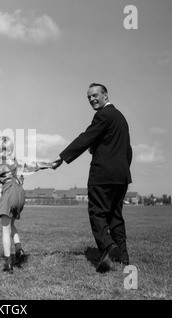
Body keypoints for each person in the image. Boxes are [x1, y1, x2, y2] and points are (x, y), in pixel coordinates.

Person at [51, 83, 132, 273]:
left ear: (105, 95)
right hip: (121, 176)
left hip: (103, 175)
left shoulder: (103, 115)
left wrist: (62, 157)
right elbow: (127, 149)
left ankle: (108, 247)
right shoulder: (121, 118)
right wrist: (122, 170)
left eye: (95, 95)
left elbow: (87, 136)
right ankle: (123, 256)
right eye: (89, 97)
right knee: (115, 216)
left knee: (97, 212)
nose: (92, 99)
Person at [0, 136, 51, 273]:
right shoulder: (19, 163)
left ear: (2, 151)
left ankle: (7, 263)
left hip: (10, 192)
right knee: (11, 225)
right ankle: (19, 249)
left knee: (5, 230)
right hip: (20, 194)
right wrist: (50, 164)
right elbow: (35, 165)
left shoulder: (2, 165)